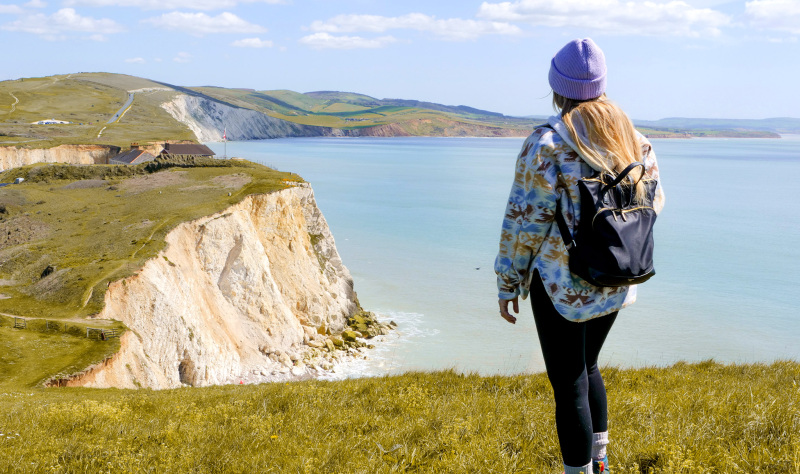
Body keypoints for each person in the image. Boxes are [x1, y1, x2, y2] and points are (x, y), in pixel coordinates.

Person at [494, 38, 665, 474]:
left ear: (557, 84)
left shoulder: (547, 142)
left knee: (568, 383)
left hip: (561, 285)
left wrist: (508, 283)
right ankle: (600, 463)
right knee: (588, 367)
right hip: (617, 276)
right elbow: (655, 203)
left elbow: (524, 220)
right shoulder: (635, 140)